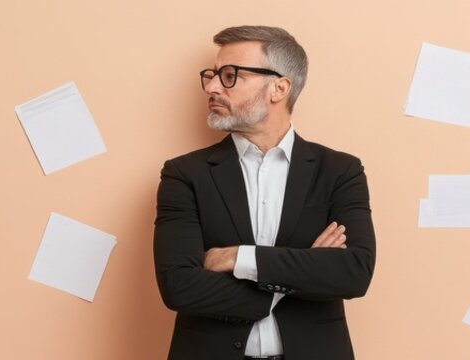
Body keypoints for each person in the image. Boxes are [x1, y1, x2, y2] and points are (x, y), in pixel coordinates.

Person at [153, 25, 376, 360]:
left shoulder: (340, 171)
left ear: (279, 88)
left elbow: (353, 274)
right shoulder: (184, 174)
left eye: (230, 76)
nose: (213, 87)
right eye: (212, 75)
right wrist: (302, 271)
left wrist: (236, 258)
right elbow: (179, 288)